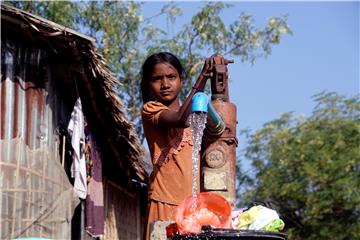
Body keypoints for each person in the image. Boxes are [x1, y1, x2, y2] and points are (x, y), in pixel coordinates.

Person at [141, 52, 213, 239]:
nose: (165, 85)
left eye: (171, 77)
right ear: (149, 84)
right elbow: (180, 119)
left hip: (194, 209)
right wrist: (203, 77)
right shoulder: (151, 110)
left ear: (181, 79)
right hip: (164, 202)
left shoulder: (196, 116)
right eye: (157, 79)